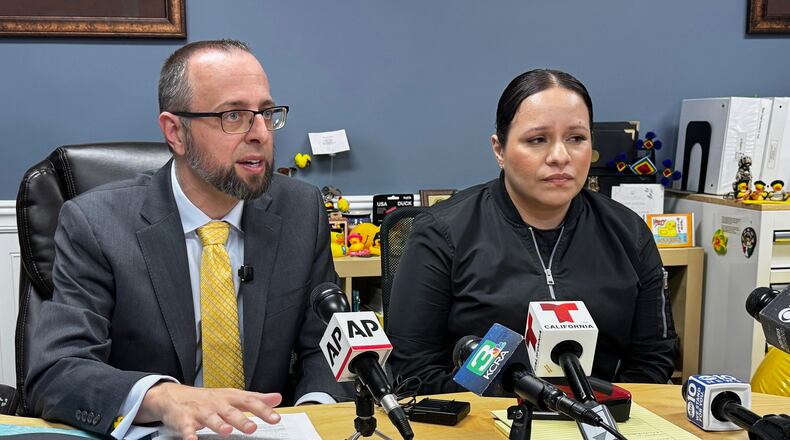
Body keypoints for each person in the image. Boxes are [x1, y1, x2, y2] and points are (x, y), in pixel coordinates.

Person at [26, 39, 348, 439]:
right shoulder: (97, 223)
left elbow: (326, 345)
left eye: (266, 113)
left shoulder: (301, 210)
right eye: (234, 115)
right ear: (175, 132)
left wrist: (315, 415)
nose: (261, 133)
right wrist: (161, 397)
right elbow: (56, 371)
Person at [386, 69, 678, 395]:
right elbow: (414, 372)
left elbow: (653, 358)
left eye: (576, 138)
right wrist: (518, 407)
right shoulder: (442, 233)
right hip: (485, 417)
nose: (560, 156)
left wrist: (609, 408)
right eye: (537, 140)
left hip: (601, 415)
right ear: (499, 149)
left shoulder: (629, 233)